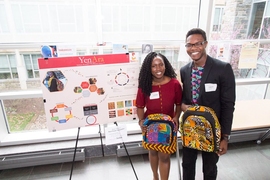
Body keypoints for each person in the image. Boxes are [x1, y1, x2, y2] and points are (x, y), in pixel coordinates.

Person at [180, 28, 236, 180]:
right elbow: (184, 100)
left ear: (205, 44)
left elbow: (228, 105)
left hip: (212, 130)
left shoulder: (222, 69)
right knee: (187, 165)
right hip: (191, 128)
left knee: (209, 168)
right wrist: (184, 107)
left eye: (198, 43)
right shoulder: (184, 70)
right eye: (189, 45)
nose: (193, 48)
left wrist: (225, 137)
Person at [136, 52, 182, 180]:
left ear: (165, 65)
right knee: (153, 151)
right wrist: (141, 122)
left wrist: (176, 117)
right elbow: (140, 106)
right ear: (149, 69)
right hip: (151, 126)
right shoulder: (144, 85)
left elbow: (178, 104)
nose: (158, 69)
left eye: (161, 65)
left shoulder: (174, 84)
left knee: (164, 155)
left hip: (168, 126)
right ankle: (155, 175)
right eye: (154, 66)